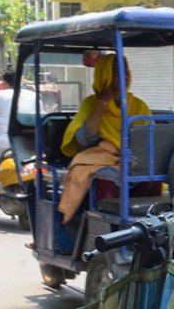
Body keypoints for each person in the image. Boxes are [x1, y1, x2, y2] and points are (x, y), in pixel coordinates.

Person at [56, 53, 151, 223]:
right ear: (105, 76)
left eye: (126, 70)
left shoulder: (138, 106)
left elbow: (147, 139)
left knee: (152, 178)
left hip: (131, 159)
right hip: (100, 157)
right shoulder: (90, 104)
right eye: (116, 71)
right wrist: (103, 103)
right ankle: (107, 228)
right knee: (107, 177)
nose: (126, 75)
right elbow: (85, 138)